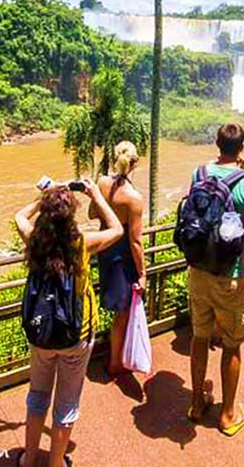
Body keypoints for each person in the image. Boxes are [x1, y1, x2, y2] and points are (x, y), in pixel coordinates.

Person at [15, 178, 123, 467]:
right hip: (78, 334)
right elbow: (117, 229)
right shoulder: (82, 244)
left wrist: (45, 198)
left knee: (37, 397)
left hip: (40, 332)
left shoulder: (33, 241)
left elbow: (19, 217)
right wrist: (96, 195)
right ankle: (56, 462)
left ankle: (28, 460)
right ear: (70, 217)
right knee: (66, 402)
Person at [186, 122, 244, 437]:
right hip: (231, 276)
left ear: (217, 144)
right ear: (241, 148)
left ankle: (196, 403)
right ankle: (228, 414)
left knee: (199, 337)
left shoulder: (200, 174)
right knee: (232, 345)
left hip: (198, 270)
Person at [94, 141, 148, 377]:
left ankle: (115, 354)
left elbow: (91, 214)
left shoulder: (102, 183)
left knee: (117, 306)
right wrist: (144, 273)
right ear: (135, 163)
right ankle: (115, 361)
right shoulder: (134, 198)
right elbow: (136, 241)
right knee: (123, 310)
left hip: (104, 247)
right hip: (123, 253)